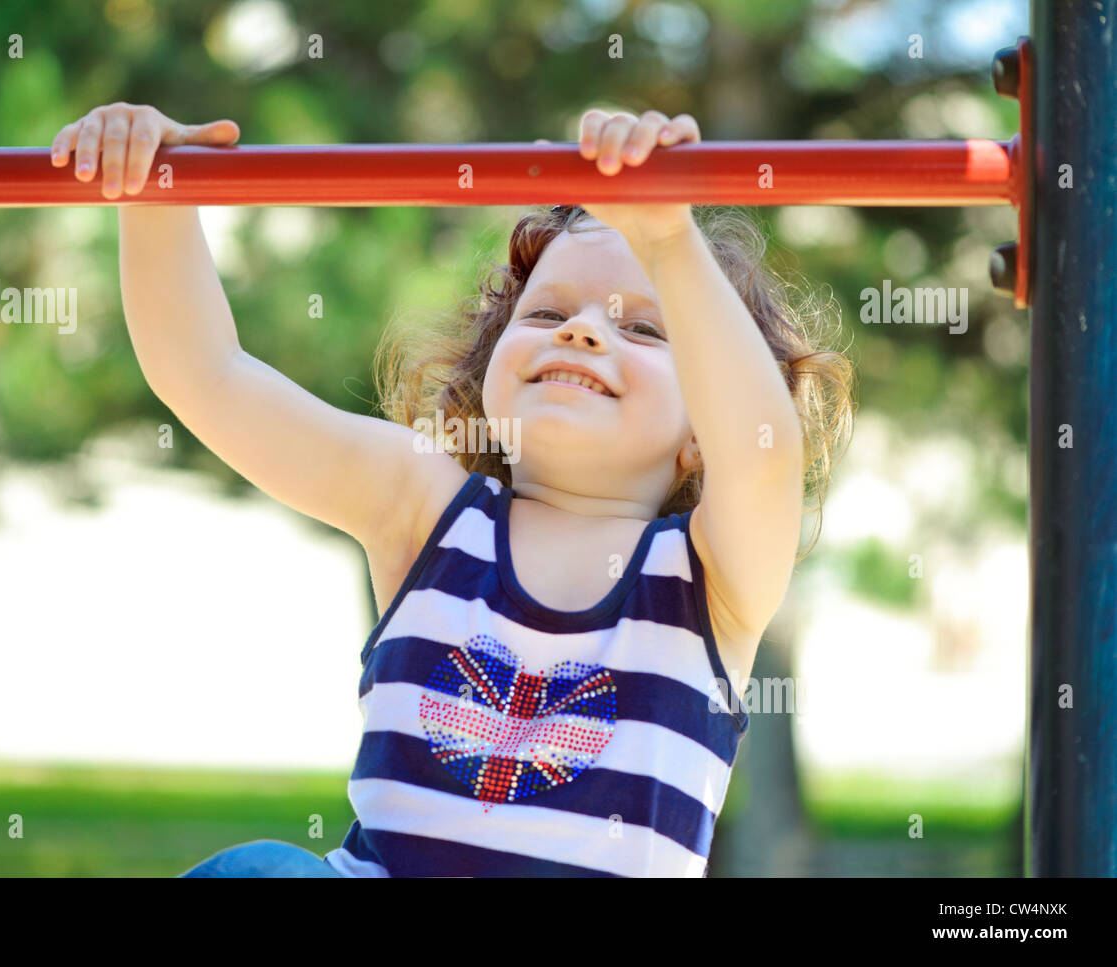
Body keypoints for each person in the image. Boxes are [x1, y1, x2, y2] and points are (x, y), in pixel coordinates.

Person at [50, 104, 854, 877]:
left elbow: (762, 457)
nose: (583, 330)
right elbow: (209, 376)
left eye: (643, 328)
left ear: (701, 429)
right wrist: (149, 198)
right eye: (545, 312)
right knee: (264, 869)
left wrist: (670, 239)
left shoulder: (711, 581)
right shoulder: (425, 507)